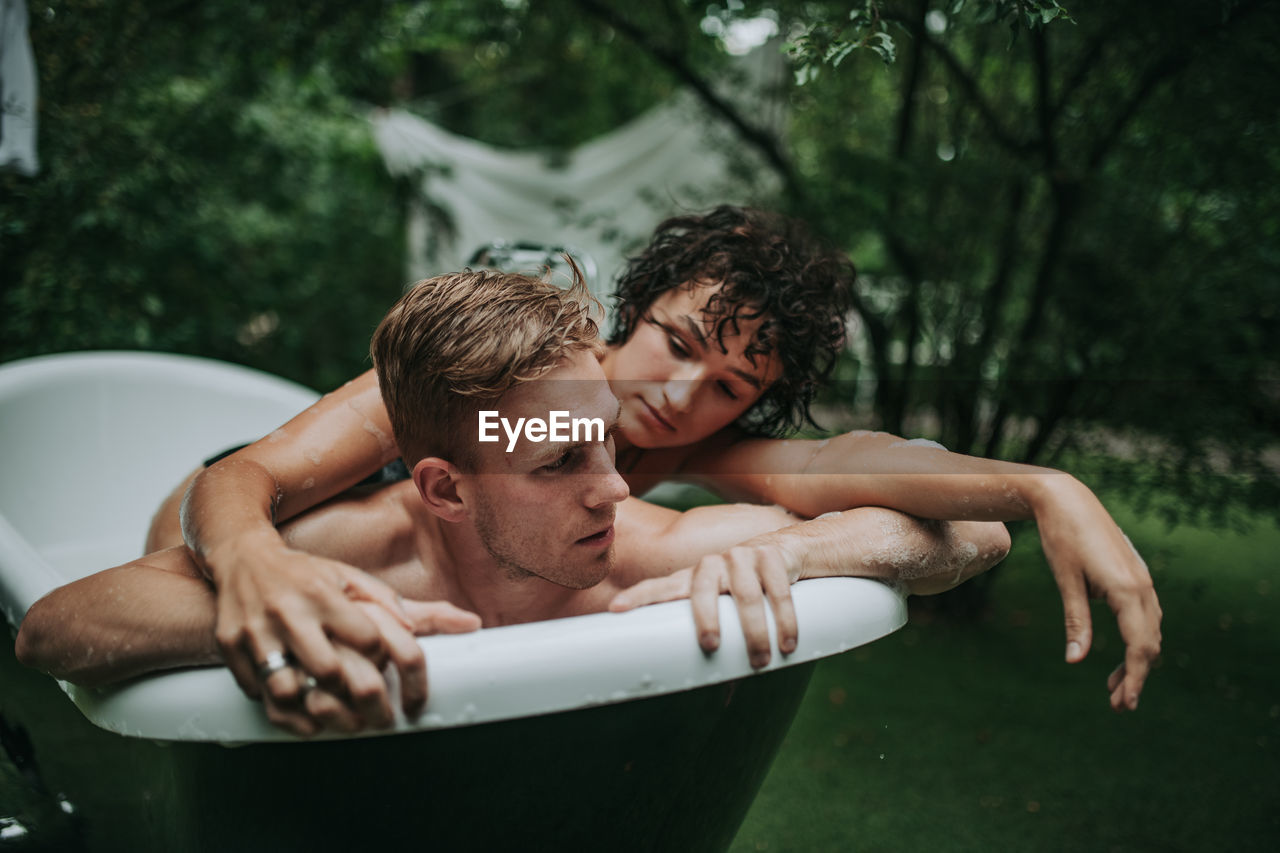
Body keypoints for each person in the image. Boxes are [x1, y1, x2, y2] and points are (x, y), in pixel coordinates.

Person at [153, 206, 1161, 718]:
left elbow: (881, 468)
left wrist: (1041, 487)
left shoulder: (702, 448)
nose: (678, 396)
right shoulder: (504, 389)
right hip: (214, 537)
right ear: (630, 317)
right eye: (676, 344)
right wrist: (249, 560)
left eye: (725, 385)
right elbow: (250, 477)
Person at [16, 268, 1006, 736]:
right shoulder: (345, 550)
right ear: (443, 487)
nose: (613, 486)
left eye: (605, 448)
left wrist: (793, 558)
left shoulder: (630, 537)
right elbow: (56, 623)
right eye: (559, 463)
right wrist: (280, 591)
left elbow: (968, 527)